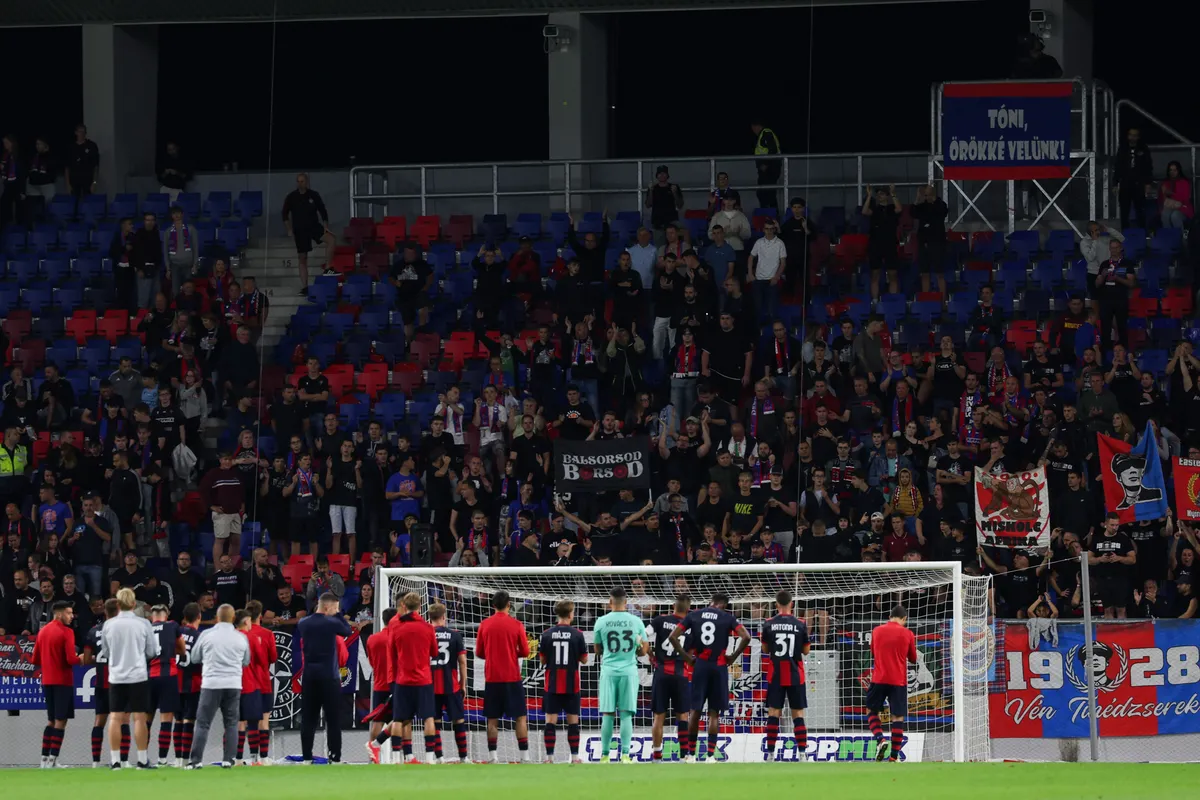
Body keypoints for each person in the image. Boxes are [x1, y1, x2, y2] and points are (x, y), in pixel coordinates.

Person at [668, 591, 750, 763]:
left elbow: (673, 636)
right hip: (719, 666)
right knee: (714, 713)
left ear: (711, 601)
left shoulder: (695, 615)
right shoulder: (728, 618)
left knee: (695, 711)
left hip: (700, 666)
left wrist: (686, 657)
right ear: (724, 605)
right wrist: (733, 657)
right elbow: (746, 637)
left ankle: (690, 754)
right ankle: (711, 756)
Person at [101, 587, 160, 769]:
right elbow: (151, 651)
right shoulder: (143, 624)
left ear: (117, 604)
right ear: (134, 604)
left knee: (115, 718)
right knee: (140, 718)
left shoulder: (108, 625)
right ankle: (142, 759)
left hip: (117, 676)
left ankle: (115, 760)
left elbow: (106, 652)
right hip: (138, 675)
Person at [187, 604, 250, 769]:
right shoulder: (241, 637)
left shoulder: (206, 634)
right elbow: (246, 661)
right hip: (233, 683)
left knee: (202, 723)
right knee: (231, 723)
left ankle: (196, 761)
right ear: (233, 618)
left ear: (217, 616)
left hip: (211, 683)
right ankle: (228, 760)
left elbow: (194, 657)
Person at [294, 592, 352, 763]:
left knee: (308, 719)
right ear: (328, 607)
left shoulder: (303, 623)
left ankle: (306, 758)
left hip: (310, 676)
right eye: (335, 607)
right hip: (329, 676)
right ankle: (334, 757)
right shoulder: (332, 622)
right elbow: (347, 630)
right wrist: (339, 614)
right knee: (333, 719)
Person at [475, 590, 531, 763]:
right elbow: (526, 651)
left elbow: (479, 652)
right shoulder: (516, 625)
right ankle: (525, 757)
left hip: (492, 678)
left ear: (493, 606)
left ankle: (493, 757)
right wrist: (512, 653)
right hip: (512, 678)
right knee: (520, 717)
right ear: (509, 605)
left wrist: (493, 655)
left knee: (492, 718)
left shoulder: (485, 624)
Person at [388, 592, 439, 765]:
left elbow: (392, 654)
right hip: (423, 680)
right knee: (428, 717)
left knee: (398, 719)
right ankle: (430, 758)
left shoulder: (396, 628)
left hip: (403, 680)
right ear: (419, 606)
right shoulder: (427, 628)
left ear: (404, 606)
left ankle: (396, 758)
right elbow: (434, 652)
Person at [760, 590, 810, 761]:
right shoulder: (801, 624)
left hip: (776, 673)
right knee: (798, 714)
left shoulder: (768, 623)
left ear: (776, 605)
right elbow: (806, 650)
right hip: (795, 673)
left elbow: (765, 650)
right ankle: (803, 754)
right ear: (792, 604)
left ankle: (770, 754)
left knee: (774, 712)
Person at [865, 604, 917, 763]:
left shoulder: (877, 631)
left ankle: (880, 739)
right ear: (904, 619)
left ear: (889, 617)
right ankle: (893, 757)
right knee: (898, 717)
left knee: (871, 710)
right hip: (898, 681)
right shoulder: (908, 633)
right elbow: (913, 659)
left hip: (879, 678)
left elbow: (873, 652)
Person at [539, 600, 588, 764]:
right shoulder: (578, 634)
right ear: (570, 614)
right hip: (571, 683)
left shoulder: (546, 634)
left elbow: (542, 661)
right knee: (573, 721)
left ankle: (549, 758)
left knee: (550, 721)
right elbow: (585, 660)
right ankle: (574, 758)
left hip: (552, 683)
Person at [32, 600, 78, 769]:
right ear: (59, 614)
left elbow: (34, 659)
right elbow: (71, 659)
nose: (71, 616)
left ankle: (43, 760)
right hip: (63, 681)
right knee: (61, 720)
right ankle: (53, 759)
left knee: (51, 720)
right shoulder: (67, 632)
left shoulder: (42, 632)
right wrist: (81, 658)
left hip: (47, 681)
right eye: (68, 613)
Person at [647, 594, 692, 762]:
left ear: (673, 606)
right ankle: (683, 756)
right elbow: (692, 652)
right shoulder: (690, 626)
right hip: (680, 674)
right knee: (682, 716)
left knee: (659, 716)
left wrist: (651, 655)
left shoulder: (660, 620)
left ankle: (657, 756)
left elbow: (643, 636)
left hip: (661, 673)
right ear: (688, 609)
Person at [428, 602, 470, 763]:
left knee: (434, 721)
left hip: (430, 685)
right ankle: (463, 757)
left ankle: (439, 757)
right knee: (458, 720)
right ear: (444, 617)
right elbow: (462, 662)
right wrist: (463, 684)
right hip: (451, 684)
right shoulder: (455, 635)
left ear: (430, 617)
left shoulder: (426, 634)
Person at [282, 172, 336, 295]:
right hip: (300, 230)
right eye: (298, 181)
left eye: (302, 181)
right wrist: (289, 229)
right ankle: (305, 286)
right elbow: (284, 214)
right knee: (302, 258)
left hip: (314, 226)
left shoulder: (313, 195)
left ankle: (328, 267)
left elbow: (323, 211)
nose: (300, 183)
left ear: (307, 182)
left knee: (331, 239)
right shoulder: (291, 197)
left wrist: (326, 226)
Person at [82, 599, 119, 766]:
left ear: (105, 612)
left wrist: (98, 658)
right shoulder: (121, 630)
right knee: (121, 720)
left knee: (99, 721)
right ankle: (119, 760)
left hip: (100, 682)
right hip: (118, 681)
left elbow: (87, 660)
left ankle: (95, 762)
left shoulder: (93, 631)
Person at [147, 604, 185, 767]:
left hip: (148, 676)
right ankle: (162, 759)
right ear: (166, 615)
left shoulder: (145, 628)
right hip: (168, 675)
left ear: (151, 616)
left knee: (145, 720)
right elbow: (182, 649)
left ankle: (143, 757)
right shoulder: (173, 626)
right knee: (166, 720)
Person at [364, 607, 397, 764]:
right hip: (396, 683)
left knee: (378, 720)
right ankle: (401, 754)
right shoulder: (396, 637)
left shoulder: (372, 639)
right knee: (402, 719)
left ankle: (372, 755)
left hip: (379, 683)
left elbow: (371, 661)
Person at [176, 603, 203, 765]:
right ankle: (186, 759)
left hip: (175, 681)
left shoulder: (176, 633)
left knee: (177, 721)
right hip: (193, 682)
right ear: (199, 616)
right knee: (189, 720)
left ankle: (177, 759)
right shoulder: (200, 636)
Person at [1113, 127, 1153, 230]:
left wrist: (1148, 183)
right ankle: (1125, 233)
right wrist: (1115, 183)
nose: (1132, 137)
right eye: (1131, 135)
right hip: (1125, 183)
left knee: (1140, 209)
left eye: (1135, 135)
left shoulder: (1143, 149)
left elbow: (1148, 167)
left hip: (1139, 184)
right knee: (1124, 211)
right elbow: (1118, 167)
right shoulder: (1123, 148)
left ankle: (1142, 233)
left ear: (1138, 137)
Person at [751, 119, 782, 211]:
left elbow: (773, 149)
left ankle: (771, 215)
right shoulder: (763, 134)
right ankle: (768, 214)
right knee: (765, 193)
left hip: (770, 169)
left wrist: (765, 164)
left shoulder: (766, 133)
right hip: (767, 169)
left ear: (756, 126)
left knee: (766, 193)